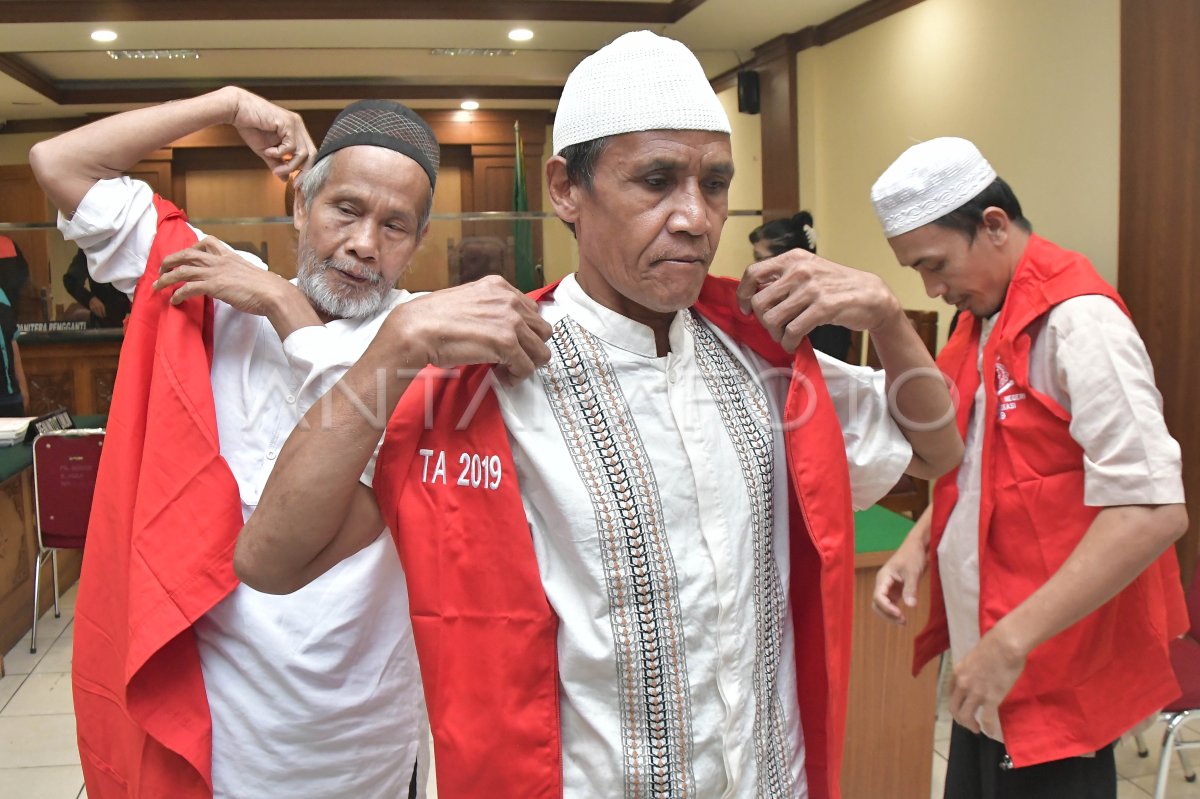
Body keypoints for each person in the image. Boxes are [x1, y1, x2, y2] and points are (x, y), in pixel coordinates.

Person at [235, 31, 962, 799]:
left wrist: (886, 319)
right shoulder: (489, 373)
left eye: (714, 184)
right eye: (656, 180)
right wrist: (394, 348)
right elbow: (270, 558)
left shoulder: (765, 356)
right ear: (565, 189)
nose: (695, 217)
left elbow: (937, 452)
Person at [30, 87, 541, 799]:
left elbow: (373, 467)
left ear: (418, 244)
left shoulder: (434, 340)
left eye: (396, 226)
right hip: (221, 710)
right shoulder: (215, 283)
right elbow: (58, 163)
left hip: (363, 723)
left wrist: (283, 305)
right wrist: (226, 103)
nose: (365, 243)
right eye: (346, 210)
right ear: (300, 205)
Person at [869, 137, 1188, 799]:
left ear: (992, 225)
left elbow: (1152, 509)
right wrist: (918, 541)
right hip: (990, 660)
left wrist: (1009, 642)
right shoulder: (983, 318)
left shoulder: (1079, 324)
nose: (932, 288)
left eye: (935, 265)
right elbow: (987, 463)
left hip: (1048, 665)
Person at [749, 212, 853, 361]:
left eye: (759, 259)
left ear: (788, 258)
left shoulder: (827, 306)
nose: (754, 267)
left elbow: (824, 368)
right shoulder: (774, 301)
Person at [63, 246, 132, 327]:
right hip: (104, 320)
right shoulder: (92, 247)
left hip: (135, 315)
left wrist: (132, 308)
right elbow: (71, 281)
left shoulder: (132, 242)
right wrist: (90, 299)